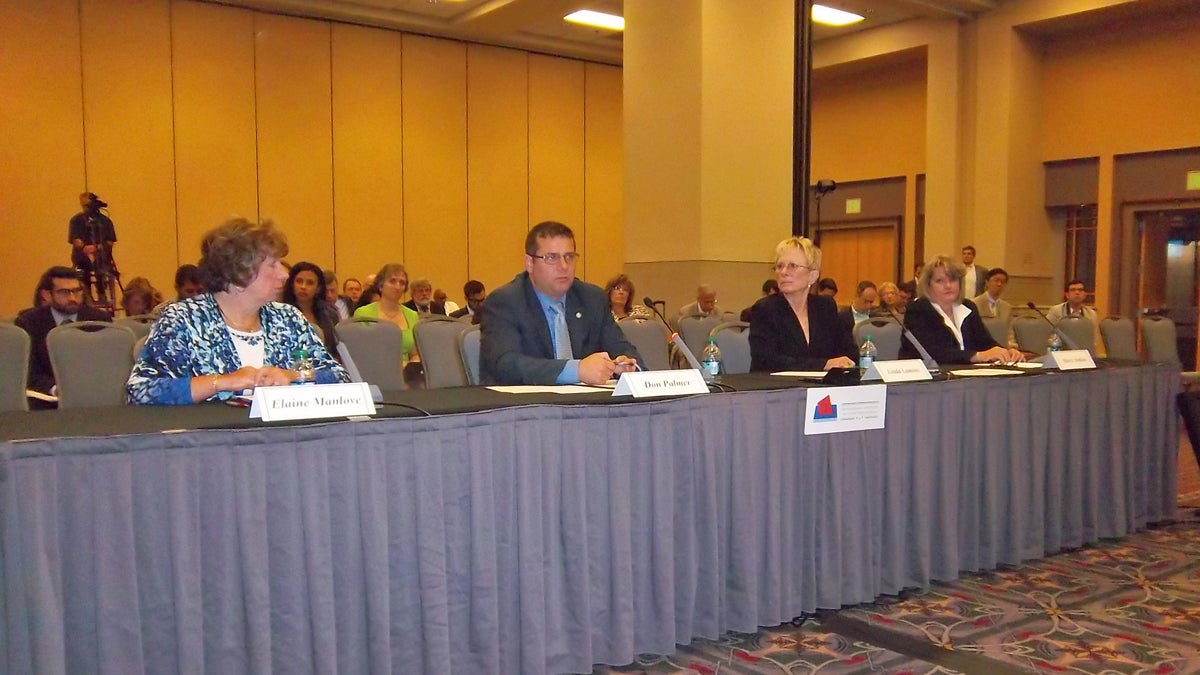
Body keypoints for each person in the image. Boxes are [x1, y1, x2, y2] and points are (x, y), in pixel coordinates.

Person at [126, 218, 347, 405]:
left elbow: (339, 377)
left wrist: (293, 376)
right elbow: (140, 391)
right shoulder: (183, 320)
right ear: (239, 271)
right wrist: (221, 382)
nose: (284, 274)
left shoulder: (288, 318)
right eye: (272, 264)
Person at [479, 220, 640, 385]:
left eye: (569, 257)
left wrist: (625, 364)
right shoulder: (505, 302)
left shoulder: (592, 298)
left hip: (588, 406)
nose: (563, 266)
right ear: (530, 263)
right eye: (552, 258)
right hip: (529, 406)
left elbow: (622, 347)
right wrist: (576, 370)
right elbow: (506, 364)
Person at [748, 237, 857, 372]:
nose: (783, 272)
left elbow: (849, 352)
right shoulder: (765, 309)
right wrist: (823, 364)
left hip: (821, 388)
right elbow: (767, 360)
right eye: (780, 266)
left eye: (792, 266)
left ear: (813, 275)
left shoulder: (826, 306)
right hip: (776, 388)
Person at [900, 255, 1024, 365]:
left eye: (953, 280)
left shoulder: (968, 307)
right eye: (940, 281)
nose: (948, 285)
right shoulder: (918, 309)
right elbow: (933, 352)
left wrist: (1006, 352)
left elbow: (985, 342)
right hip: (927, 382)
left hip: (966, 379)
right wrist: (978, 356)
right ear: (928, 285)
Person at [16, 266, 113, 398]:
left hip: (94, 394)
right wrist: (55, 389)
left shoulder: (99, 320)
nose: (73, 298)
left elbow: (108, 365)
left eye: (77, 291)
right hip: (48, 400)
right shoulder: (29, 323)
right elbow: (27, 371)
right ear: (47, 295)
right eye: (64, 292)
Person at [353, 263, 421, 366]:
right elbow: (361, 353)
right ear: (380, 286)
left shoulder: (412, 315)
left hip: (406, 375)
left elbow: (415, 354)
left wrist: (411, 366)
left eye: (402, 283)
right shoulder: (363, 313)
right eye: (392, 281)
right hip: (374, 370)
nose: (397, 286)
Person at [68, 192, 118, 303]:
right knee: (84, 264)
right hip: (82, 255)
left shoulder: (105, 221)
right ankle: (87, 296)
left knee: (100, 263)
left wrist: (96, 248)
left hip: (101, 254)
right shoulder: (76, 221)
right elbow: (75, 240)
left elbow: (110, 241)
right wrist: (85, 248)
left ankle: (102, 293)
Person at [283, 261, 341, 356]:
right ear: (292, 285)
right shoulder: (281, 312)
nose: (303, 287)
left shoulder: (330, 313)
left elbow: (335, 349)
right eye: (299, 281)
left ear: (318, 288)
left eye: (310, 283)